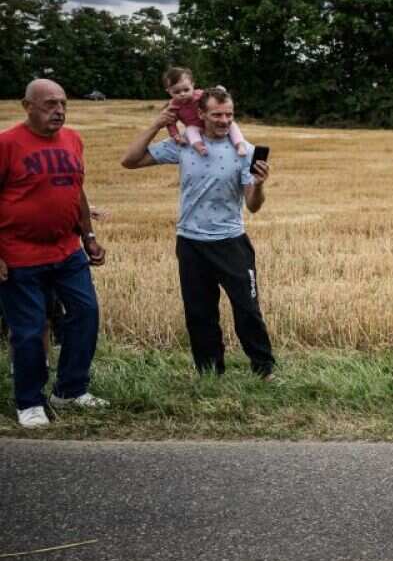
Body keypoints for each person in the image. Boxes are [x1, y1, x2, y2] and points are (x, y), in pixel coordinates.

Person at [119, 87, 276, 379]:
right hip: (191, 243)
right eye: (217, 114)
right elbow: (130, 160)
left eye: (229, 114)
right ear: (201, 114)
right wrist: (156, 124)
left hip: (231, 242)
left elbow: (253, 206)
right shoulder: (183, 144)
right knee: (199, 313)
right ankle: (209, 372)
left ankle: (264, 369)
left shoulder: (245, 151)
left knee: (247, 309)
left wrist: (260, 184)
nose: (224, 120)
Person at [0, 79, 109, 427]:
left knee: (86, 313)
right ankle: (29, 401)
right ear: (26, 106)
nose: (59, 110)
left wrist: (88, 235)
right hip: (19, 255)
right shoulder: (7, 144)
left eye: (62, 103)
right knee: (29, 329)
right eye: (49, 104)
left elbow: (76, 191)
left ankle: (71, 390)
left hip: (67, 251)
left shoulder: (73, 140)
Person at [162, 67, 249, 158]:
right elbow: (170, 123)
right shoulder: (172, 107)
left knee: (232, 125)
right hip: (196, 127)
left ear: (192, 85)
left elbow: (212, 95)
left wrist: (220, 91)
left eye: (186, 90)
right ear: (168, 91)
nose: (182, 94)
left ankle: (240, 145)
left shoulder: (199, 94)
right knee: (189, 130)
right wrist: (176, 135)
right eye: (177, 92)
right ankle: (200, 147)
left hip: (209, 123)